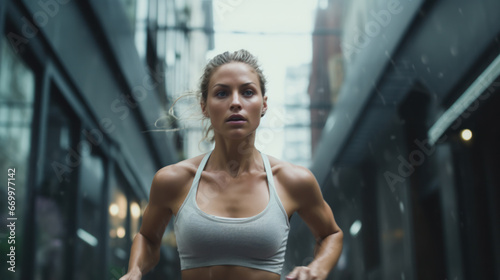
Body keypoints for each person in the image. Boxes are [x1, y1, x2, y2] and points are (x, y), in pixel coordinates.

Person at [119, 49, 343, 280]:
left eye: (247, 92)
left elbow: (331, 234)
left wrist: (317, 268)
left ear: (263, 104)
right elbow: (148, 238)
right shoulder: (173, 180)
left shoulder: (292, 181)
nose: (236, 103)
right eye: (222, 93)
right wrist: (134, 271)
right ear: (204, 106)